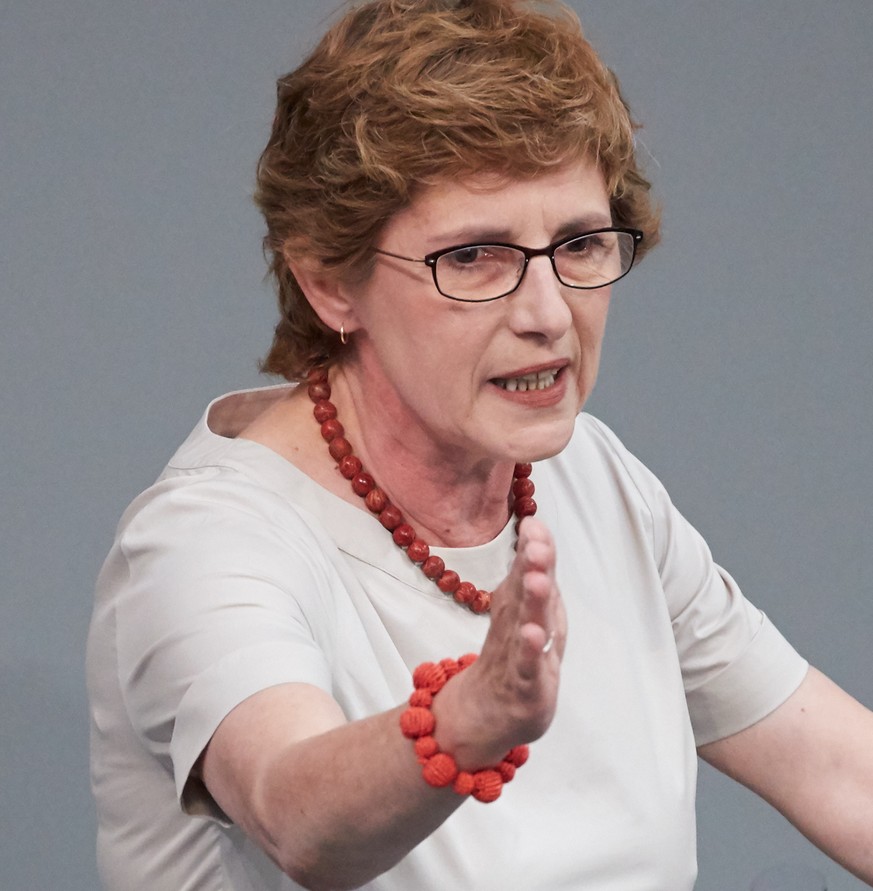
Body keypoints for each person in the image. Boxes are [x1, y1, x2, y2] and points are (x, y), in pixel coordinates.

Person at [85, 1, 873, 889]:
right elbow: (294, 814)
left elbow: (839, 770)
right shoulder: (205, 539)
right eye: (473, 257)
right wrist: (465, 721)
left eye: (577, 243)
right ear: (327, 283)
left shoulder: (590, 476)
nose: (546, 314)